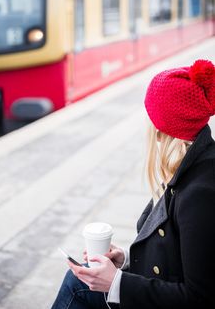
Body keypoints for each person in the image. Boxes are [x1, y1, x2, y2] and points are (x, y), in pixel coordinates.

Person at [51, 59, 215, 309]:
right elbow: (176, 258)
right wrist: (126, 261)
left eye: (152, 118)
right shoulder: (190, 165)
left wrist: (117, 283)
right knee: (80, 280)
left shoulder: (199, 193)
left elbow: (198, 297)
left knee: (77, 287)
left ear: (164, 130)